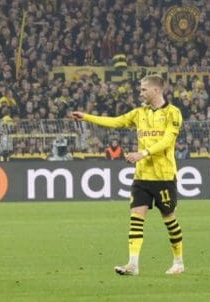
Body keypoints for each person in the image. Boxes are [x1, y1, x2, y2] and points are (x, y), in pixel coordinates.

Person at [71, 75, 185, 276]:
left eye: (143, 90)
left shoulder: (173, 113)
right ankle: (133, 265)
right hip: (142, 177)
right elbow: (116, 122)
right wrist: (87, 117)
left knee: (169, 218)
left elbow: (167, 141)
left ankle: (178, 261)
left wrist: (144, 153)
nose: (140, 93)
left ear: (156, 90)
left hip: (164, 176)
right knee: (136, 219)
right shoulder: (139, 113)